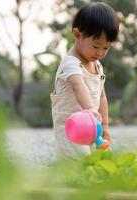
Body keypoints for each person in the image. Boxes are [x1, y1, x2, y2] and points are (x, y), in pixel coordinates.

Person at [50, 2, 120, 160]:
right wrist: (89, 108)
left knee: (94, 160)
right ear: (77, 35)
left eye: (106, 48)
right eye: (96, 46)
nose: (100, 52)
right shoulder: (70, 63)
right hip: (71, 128)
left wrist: (105, 125)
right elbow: (77, 85)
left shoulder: (98, 66)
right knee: (78, 161)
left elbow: (101, 97)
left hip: (91, 126)